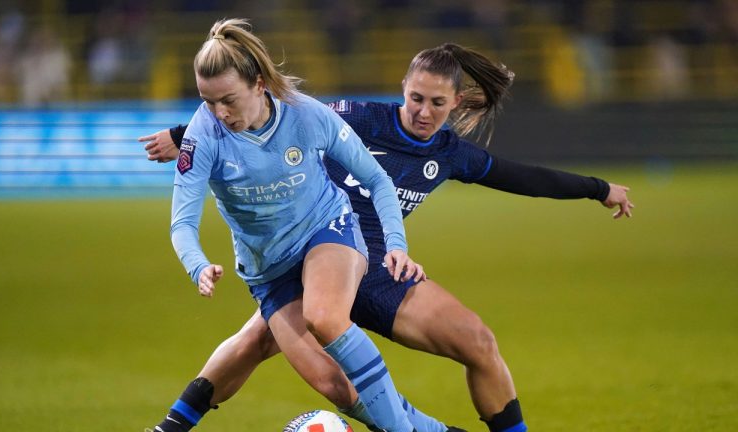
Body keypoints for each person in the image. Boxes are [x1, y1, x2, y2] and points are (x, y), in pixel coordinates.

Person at [141, 43, 634, 432]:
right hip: (302, 250)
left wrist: (597, 189)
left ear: (455, 102)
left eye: (437, 103)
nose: (422, 111)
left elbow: (523, 177)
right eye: (415, 97)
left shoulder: (452, 154)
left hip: (373, 265)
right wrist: (185, 133)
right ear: (403, 88)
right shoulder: (357, 115)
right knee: (297, 364)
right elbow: (267, 111)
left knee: (478, 342)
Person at [164, 17, 429, 432]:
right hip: (268, 269)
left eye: (227, 100)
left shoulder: (305, 115)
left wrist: (396, 243)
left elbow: (378, 179)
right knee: (333, 385)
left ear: (257, 84)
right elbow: (181, 223)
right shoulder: (203, 135)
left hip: (327, 230)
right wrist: (197, 265)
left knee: (323, 316)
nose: (218, 112)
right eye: (207, 101)